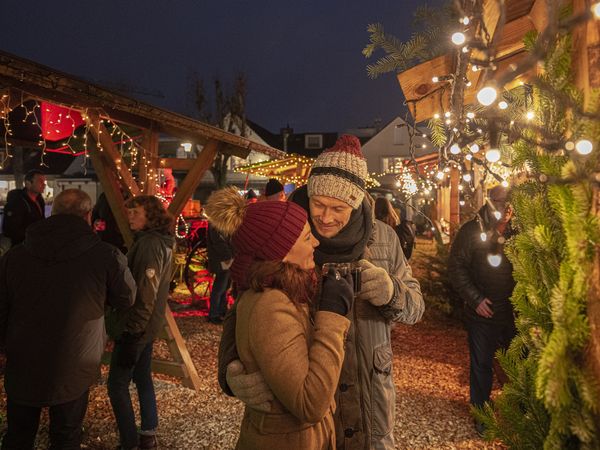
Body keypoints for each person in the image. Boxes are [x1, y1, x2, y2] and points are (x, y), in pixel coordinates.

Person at [219, 135, 425, 449]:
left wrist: (392, 293)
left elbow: (416, 306)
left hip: (369, 397)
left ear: (355, 202)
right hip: (301, 407)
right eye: (318, 204)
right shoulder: (289, 234)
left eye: (338, 207)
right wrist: (231, 370)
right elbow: (245, 304)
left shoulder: (383, 238)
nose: (325, 217)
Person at [205, 186, 353, 449]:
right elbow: (310, 403)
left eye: (340, 206)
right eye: (308, 237)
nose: (317, 240)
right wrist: (332, 317)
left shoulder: (285, 284)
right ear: (282, 252)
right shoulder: (272, 301)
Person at [0, 188, 136, 449]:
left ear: (54, 212)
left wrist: (4, 346)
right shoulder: (105, 255)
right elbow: (126, 297)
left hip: (24, 356)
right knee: (66, 434)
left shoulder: (15, 256)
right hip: (76, 357)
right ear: (87, 216)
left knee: (19, 434)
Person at [106, 195, 175, 450]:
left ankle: (129, 441)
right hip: (148, 325)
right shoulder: (160, 241)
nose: (130, 216)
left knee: (117, 384)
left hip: (136, 326)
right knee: (143, 376)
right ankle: (148, 433)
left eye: (135, 212)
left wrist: (132, 331)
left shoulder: (150, 245)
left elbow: (146, 292)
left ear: (151, 216)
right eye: (129, 212)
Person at [448, 185, 517, 435]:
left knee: (517, 361)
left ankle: (521, 411)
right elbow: (456, 267)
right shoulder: (471, 231)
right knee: (481, 365)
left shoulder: (517, 231)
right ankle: (482, 414)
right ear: (490, 201)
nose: (505, 207)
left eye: (509, 201)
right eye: (500, 201)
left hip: (514, 309)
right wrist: (475, 299)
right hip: (483, 310)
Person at [2, 169, 47, 247]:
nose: (44, 185)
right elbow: (10, 229)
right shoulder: (16, 203)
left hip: (36, 245)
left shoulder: (39, 200)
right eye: (40, 181)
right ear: (28, 183)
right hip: (22, 247)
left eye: (44, 182)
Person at [206, 222, 233, 324]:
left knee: (224, 286)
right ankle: (214, 314)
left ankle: (222, 310)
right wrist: (229, 255)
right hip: (222, 259)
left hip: (226, 259)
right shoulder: (215, 224)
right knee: (220, 287)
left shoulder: (220, 223)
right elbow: (218, 242)